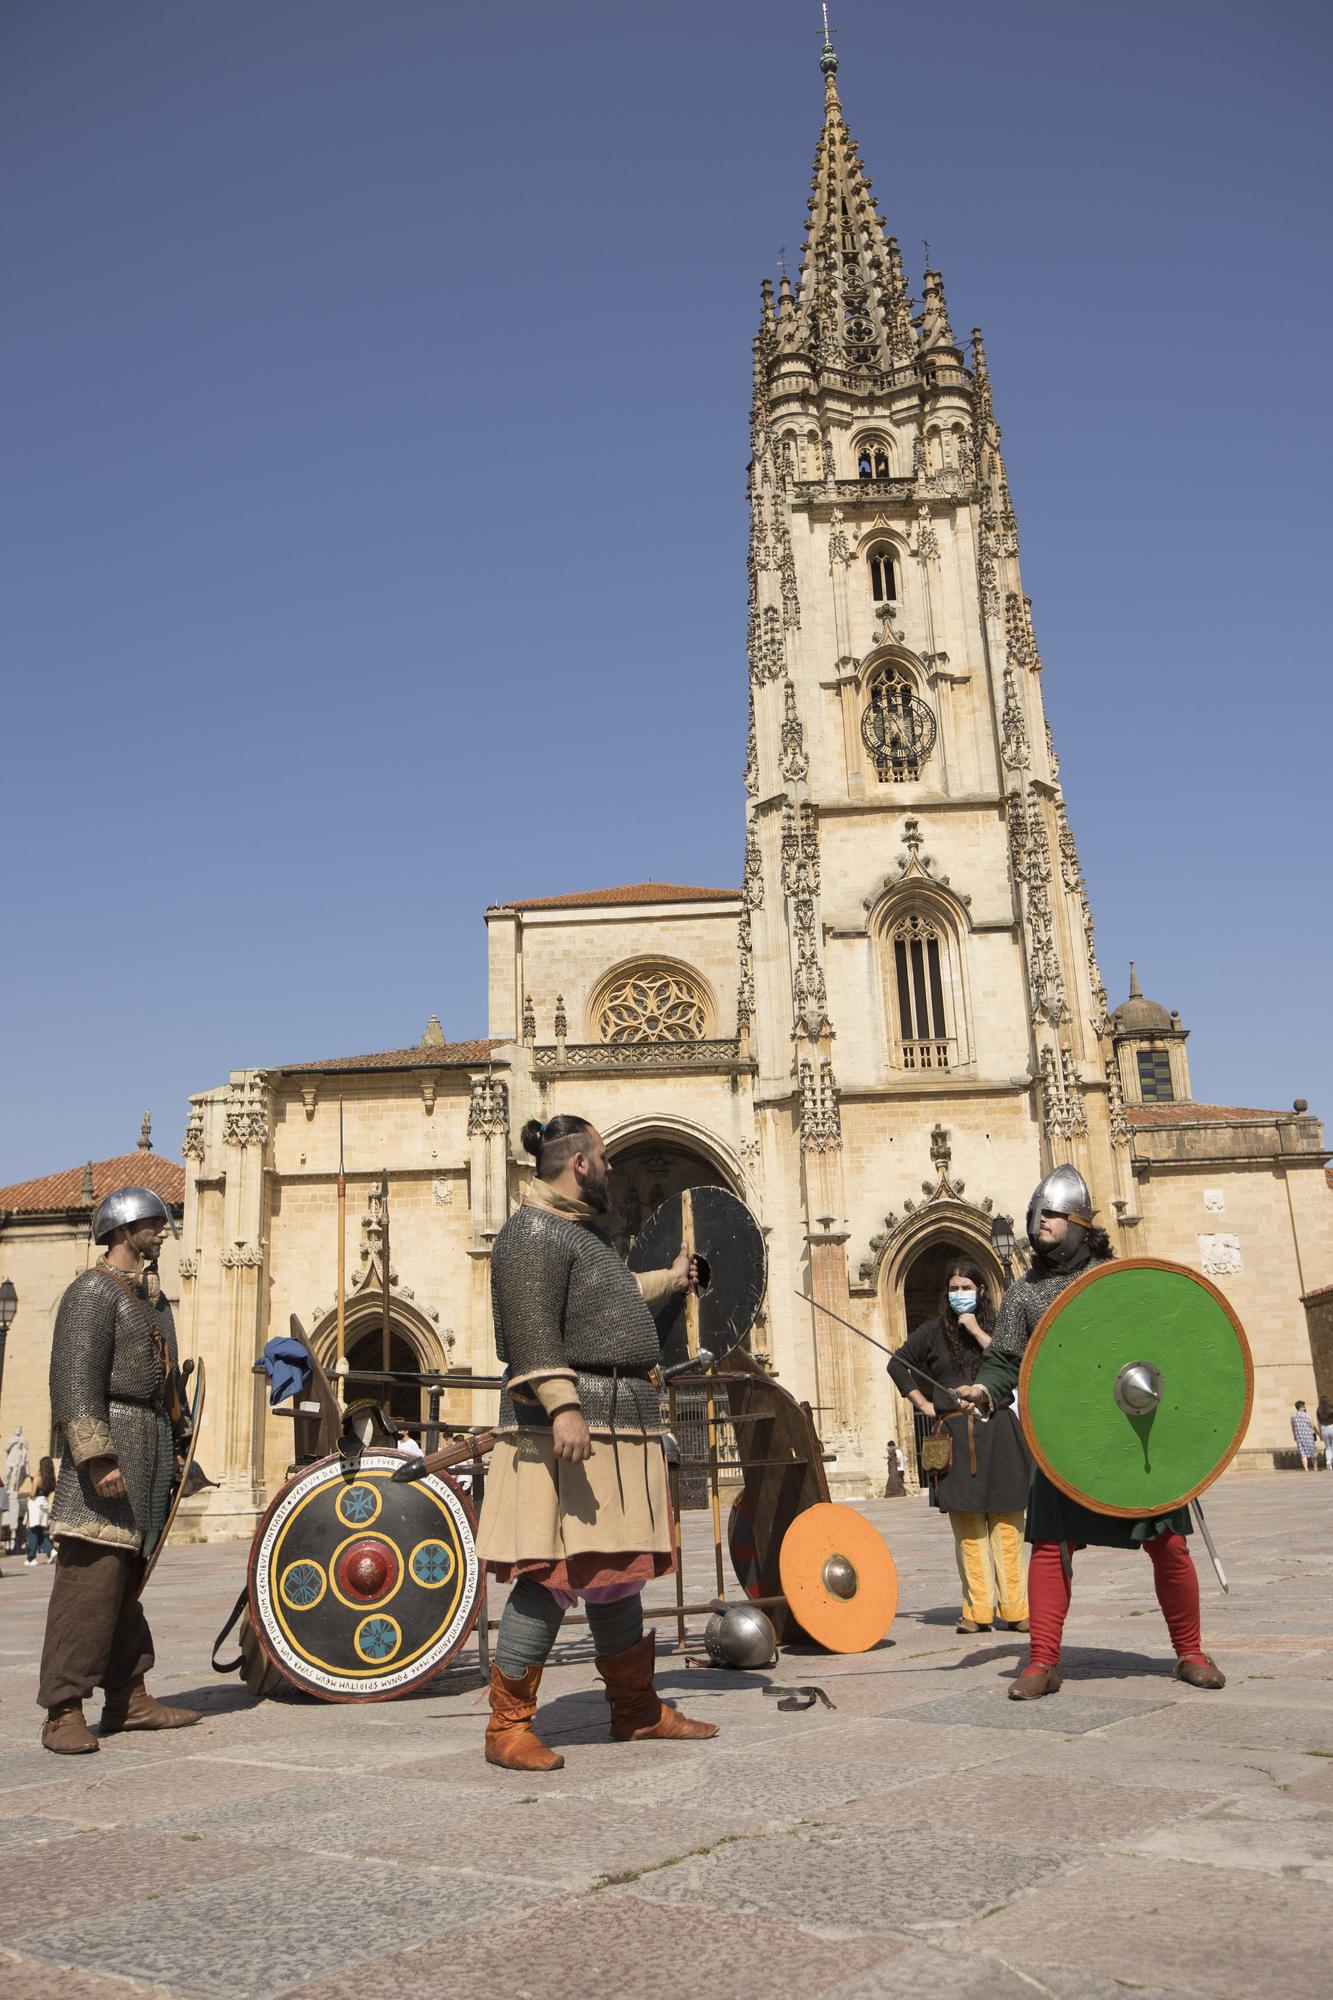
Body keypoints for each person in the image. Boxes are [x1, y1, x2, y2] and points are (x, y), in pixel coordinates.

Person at [475, 1114, 719, 1771]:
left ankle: (634, 1709)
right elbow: (529, 1332)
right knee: (554, 1575)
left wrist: (670, 1279)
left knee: (614, 1575)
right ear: (579, 1162)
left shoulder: (580, 1236)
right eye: (605, 1158)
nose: (611, 1169)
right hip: (571, 1426)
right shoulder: (530, 1232)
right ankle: (507, 1726)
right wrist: (562, 1408)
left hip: (618, 1421)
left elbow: (611, 1299)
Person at [956, 1165, 1225, 1699]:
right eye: (1037, 1215)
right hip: (1065, 1441)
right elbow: (1006, 1361)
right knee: (1051, 1547)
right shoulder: (1024, 1295)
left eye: (1052, 1214)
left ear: (1081, 1223)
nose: (1040, 1224)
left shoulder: (1118, 1280)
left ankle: (1190, 1652)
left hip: (1133, 1437)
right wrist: (985, 1391)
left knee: (1170, 1546)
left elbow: (1165, 1346)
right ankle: (1042, 1662)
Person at [37, 1185, 201, 1753]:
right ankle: (63, 1708)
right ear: (121, 1228)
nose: (163, 1230)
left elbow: (169, 1382)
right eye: (153, 1222)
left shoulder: (153, 1301)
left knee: (124, 1584)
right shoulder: (91, 1292)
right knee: (88, 1582)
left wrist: (179, 1445)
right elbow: (74, 1384)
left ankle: (127, 1697)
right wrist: (98, 1457)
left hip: (150, 1447)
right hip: (109, 1457)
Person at [888, 1258, 1030, 1634]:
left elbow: (1020, 1363)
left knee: (1007, 1522)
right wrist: (926, 1404)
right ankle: (977, 1610)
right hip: (956, 1437)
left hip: (998, 1430)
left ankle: (1015, 1608)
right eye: (954, 1288)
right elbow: (898, 1364)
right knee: (969, 1528)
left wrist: (977, 1330)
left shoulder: (1001, 1326)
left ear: (981, 1290)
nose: (959, 1294)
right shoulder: (933, 1332)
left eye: (967, 1287)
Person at [23, 1458, 56, 1565]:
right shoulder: (51, 1480)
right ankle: (51, 1551)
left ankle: (31, 1558)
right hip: (44, 1505)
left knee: (32, 1531)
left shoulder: (37, 1478)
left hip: (35, 1506)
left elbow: (32, 1494)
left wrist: (26, 1494)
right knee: (40, 1532)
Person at [1290, 1400, 1319, 1471]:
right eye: (1304, 1406)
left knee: (1302, 1453)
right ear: (1301, 1407)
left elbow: (1293, 1428)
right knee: (1312, 1451)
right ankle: (1315, 1468)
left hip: (1299, 1437)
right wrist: (1318, 1433)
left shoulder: (1293, 1416)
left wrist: (1294, 1436)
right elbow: (1312, 1425)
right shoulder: (1307, 1415)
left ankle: (1306, 1469)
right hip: (1308, 1436)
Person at [1318, 1394, 1333, 1471]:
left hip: (1323, 1428)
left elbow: (1319, 1421)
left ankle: (1328, 1461)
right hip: (1331, 1427)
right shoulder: (1331, 1408)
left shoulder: (1319, 1410)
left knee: (1328, 1447)